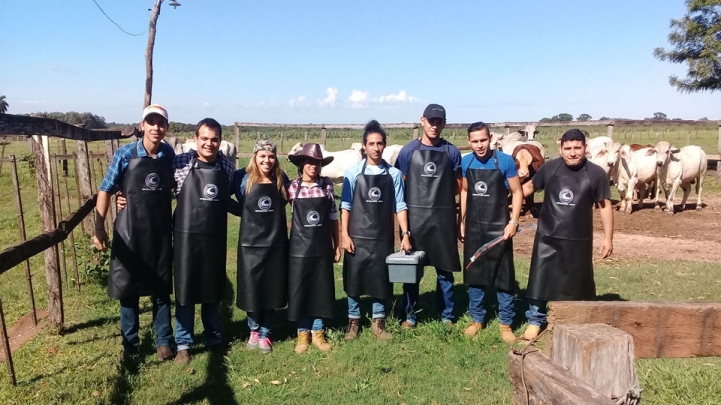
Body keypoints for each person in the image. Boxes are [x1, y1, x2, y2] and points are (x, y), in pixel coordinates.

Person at [93, 104, 175, 362]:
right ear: (142, 126)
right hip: (129, 231)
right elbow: (106, 189)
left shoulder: (168, 154)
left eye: (161, 123)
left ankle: (164, 342)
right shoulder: (125, 154)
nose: (156, 127)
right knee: (127, 289)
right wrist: (98, 228)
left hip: (160, 230)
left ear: (166, 128)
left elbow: (171, 186)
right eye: (151, 122)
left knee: (161, 288)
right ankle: (130, 346)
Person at [521, 129, 614, 340]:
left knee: (577, 279)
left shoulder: (596, 173)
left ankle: (574, 319)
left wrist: (608, 238)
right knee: (540, 277)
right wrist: (505, 199)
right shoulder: (550, 168)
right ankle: (535, 320)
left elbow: (605, 206)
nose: (572, 153)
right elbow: (528, 188)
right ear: (560, 149)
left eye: (577, 148)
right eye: (568, 148)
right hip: (548, 236)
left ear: (585, 148)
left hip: (578, 238)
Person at [170, 118, 236, 364]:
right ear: (195, 139)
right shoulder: (179, 163)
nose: (209, 143)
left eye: (214, 139)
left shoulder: (227, 168)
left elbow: (224, 199)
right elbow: (162, 191)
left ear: (220, 141)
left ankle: (214, 338)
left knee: (212, 290)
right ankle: (184, 344)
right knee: (185, 291)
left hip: (215, 238)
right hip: (186, 238)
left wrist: (248, 211)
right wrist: (124, 198)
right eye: (204, 138)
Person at [341, 120, 412, 341]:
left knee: (380, 277)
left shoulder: (394, 175)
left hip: (382, 237)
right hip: (357, 236)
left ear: (384, 145)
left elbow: (400, 205)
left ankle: (378, 321)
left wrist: (405, 234)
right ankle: (353, 321)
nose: (376, 148)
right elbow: (345, 206)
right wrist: (344, 234)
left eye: (380, 143)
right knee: (354, 277)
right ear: (364, 146)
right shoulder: (352, 173)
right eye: (371, 143)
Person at [394, 104, 462, 328]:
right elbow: (400, 187)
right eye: (431, 120)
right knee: (412, 270)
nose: (434, 125)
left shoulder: (451, 152)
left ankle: (447, 316)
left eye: (439, 121)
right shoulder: (408, 152)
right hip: (415, 219)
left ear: (444, 124)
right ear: (422, 120)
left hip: (443, 221)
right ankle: (410, 315)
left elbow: (458, 186)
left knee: (445, 272)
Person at [459, 122, 523, 343]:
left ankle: (506, 323)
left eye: (483, 140)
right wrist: (462, 220)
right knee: (475, 274)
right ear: (469, 142)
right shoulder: (465, 161)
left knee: (504, 276)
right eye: (475, 141)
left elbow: (517, 192)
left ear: (491, 138)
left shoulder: (504, 161)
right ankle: (477, 319)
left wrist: (513, 222)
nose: (480, 145)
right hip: (475, 227)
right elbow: (465, 191)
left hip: (499, 228)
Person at [234, 140, 289, 354]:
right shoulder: (242, 178)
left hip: (275, 243)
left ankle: (266, 333)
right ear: (255, 157)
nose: (267, 160)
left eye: (271, 156)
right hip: (250, 244)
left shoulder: (280, 179)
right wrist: (240, 210)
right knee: (251, 287)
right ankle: (253, 329)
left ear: (275, 159)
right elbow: (222, 196)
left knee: (271, 287)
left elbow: (284, 202)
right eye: (262, 156)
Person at [287, 144, 341, 354]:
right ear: (301, 164)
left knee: (320, 287)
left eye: (317, 162)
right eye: (309, 162)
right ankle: (302, 334)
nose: (313, 166)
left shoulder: (326, 185)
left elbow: (333, 217)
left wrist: (336, 244)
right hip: (298, 248)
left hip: (321, 247)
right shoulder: (292, 187)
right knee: (300, 288)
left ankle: (318, 331)